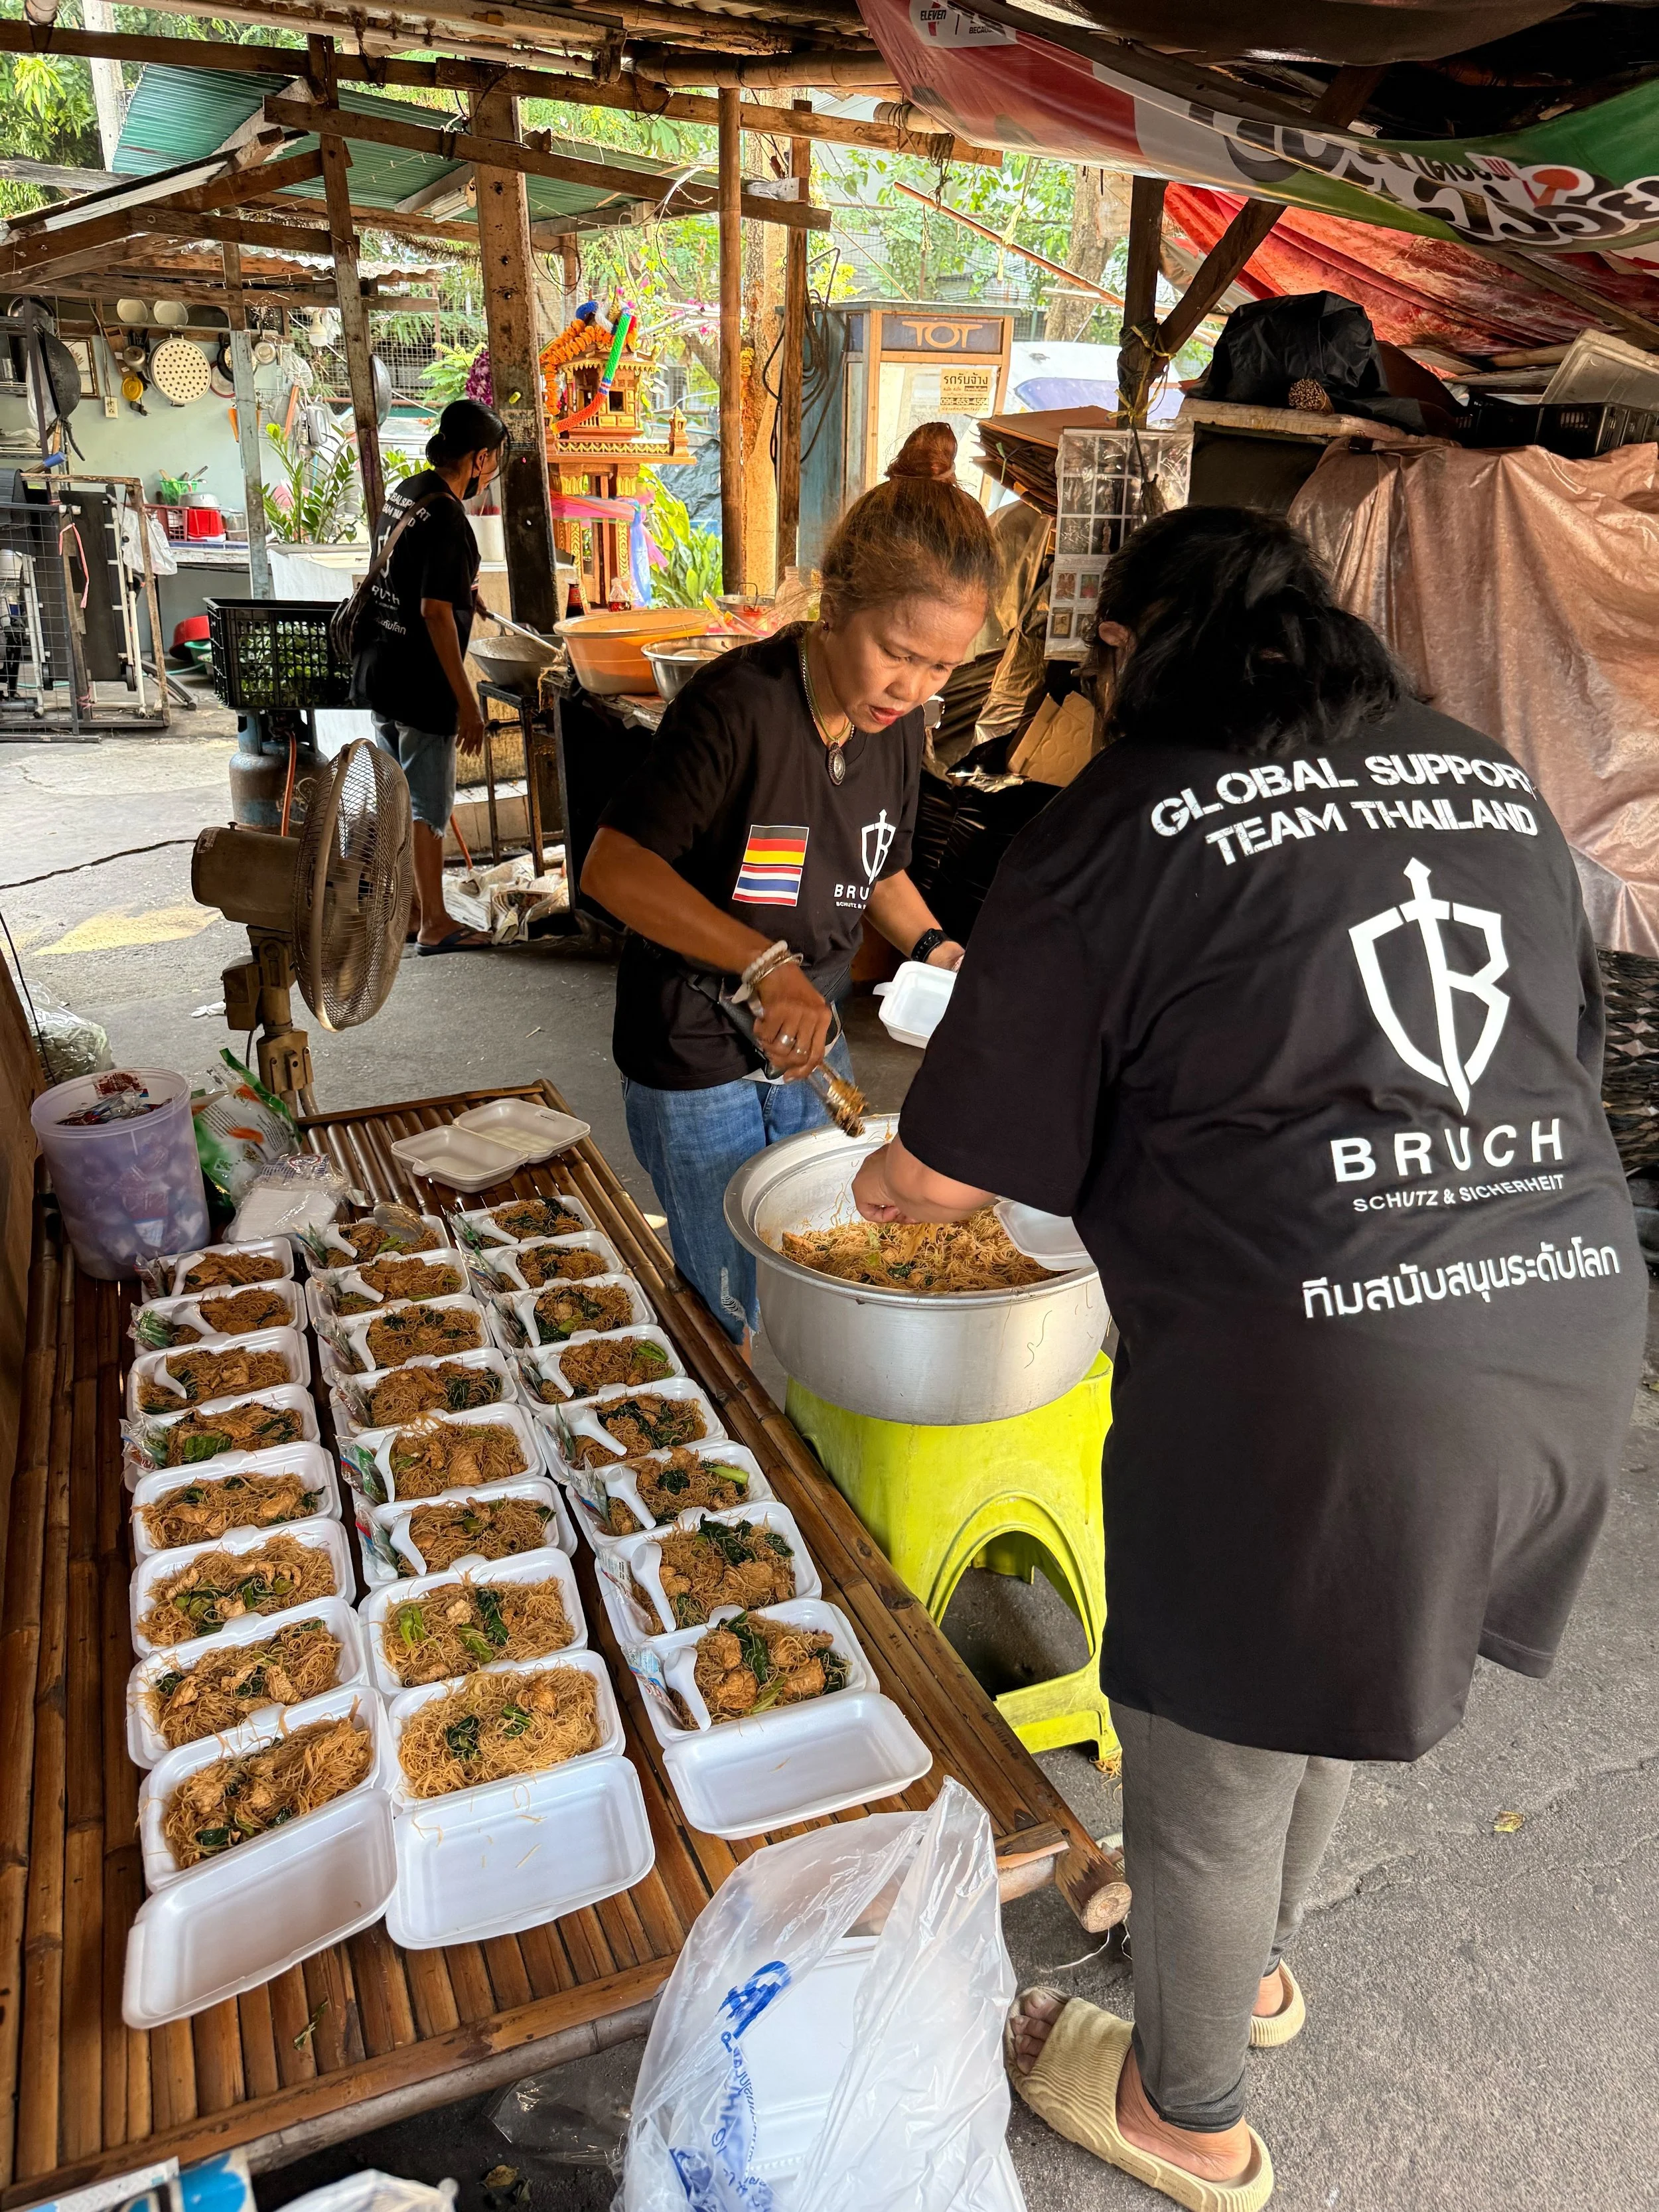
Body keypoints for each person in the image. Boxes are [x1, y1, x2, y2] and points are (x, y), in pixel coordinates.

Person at [851, 505, 1645, 2210]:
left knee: (1205, 1739)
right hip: (1563, 1306)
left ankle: (1185, 2110)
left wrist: (882, 1179)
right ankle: (1250, 1965)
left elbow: (951, 1173)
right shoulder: (1480, 775)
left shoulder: (1120, 817)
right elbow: (1550, 1052)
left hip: (1317, 1367)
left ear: (1129, 648)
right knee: (1340, 1650)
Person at [581, 422, 997, 1344]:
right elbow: (613, 866)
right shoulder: (737, 708)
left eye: (941, 666)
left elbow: (877, 863)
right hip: (696, 1047)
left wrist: (937, 949)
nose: (912, 687)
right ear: (835, 605)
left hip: (810, 1040)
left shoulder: (897, 725)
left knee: (822, 1260)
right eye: (898, 652)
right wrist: (766, 964)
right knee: (730, 1296)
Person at [351, 398, 508, 954]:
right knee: (428, 808)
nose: (492, 469)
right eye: (493, 459)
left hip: (381, 671)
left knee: (398, 800)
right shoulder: (447, 515)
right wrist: (467, 703)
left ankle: (413, 910)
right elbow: (434, 612)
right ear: (479, 457)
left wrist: (466, 592)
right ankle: (436, 923)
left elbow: (412, 576)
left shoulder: (408, 493)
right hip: (421, 683)